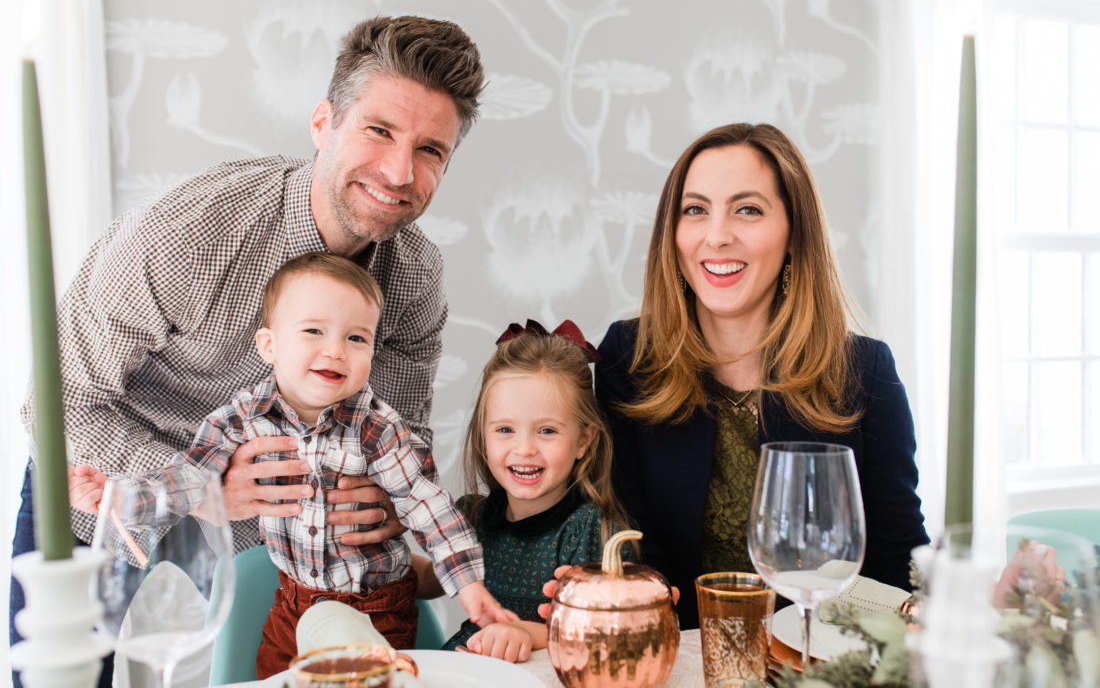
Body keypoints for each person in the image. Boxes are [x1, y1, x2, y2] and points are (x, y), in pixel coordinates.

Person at [13, 14, 485, 687]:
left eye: (431, 149)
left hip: (271, 557)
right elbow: (57, 407)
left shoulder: (415, 279)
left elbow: (401, 436)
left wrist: (386, 495)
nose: (399, 170)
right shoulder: (190, 234)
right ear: (323, 121)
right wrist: (204, 490)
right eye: (378, 130)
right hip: (101, 512)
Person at [69, 253, 514, 676]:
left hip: (376, 611)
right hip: (291, 604)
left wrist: (469, 586)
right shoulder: (240, 418)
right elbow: (190, 477)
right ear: (269, 345)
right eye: (313, 331)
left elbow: (428, 505)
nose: (336, 350)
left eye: (356, 338)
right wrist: (124, 495)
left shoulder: (378, 429)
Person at [594, 123, 930, 630]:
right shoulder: (628, 359)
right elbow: (635, 553)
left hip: (817, 660)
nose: (717, 234)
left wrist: (954, 596)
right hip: (680, 659)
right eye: (695, 209)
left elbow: (895, 561)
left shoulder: (865, 372)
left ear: (794, 232)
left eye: (747, 209)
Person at [412, 319, 626, 663]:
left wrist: (523, 632)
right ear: (484, 435)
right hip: (469, 663)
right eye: (505, 429)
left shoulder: (588, 530)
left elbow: (599, 629)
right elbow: (429, 580)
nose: (524, 449)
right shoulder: (474, 515)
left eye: (546, 430)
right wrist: (381, 558)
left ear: (584, 440)